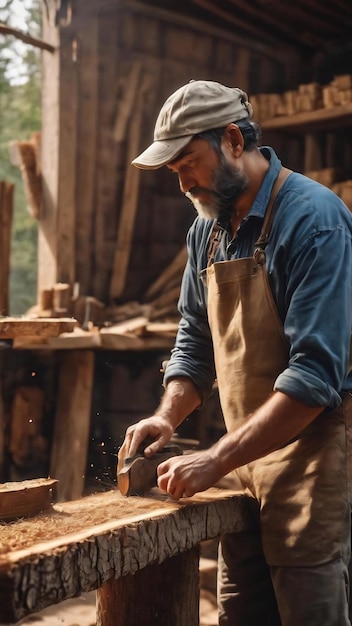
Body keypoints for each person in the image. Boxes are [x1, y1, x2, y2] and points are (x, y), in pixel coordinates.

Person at [118, 79, 352, 625]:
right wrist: (167, 415)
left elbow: (315, 376)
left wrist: (215, 457)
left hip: (311, 464)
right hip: (245, 466)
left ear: (232, 140)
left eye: (188, 164)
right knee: (241, 614)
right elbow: (195, 341)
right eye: (173, 172)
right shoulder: (209, 230)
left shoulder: (314, 220)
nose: (182, 183)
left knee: (308, 614)